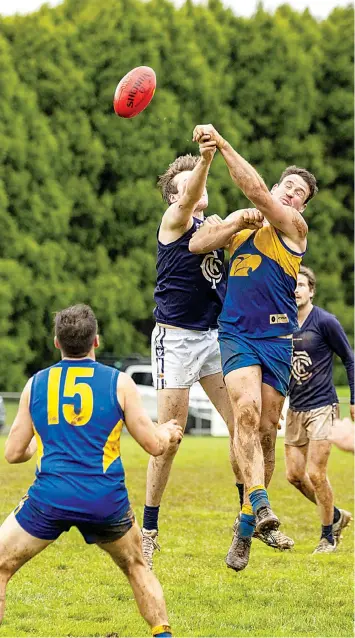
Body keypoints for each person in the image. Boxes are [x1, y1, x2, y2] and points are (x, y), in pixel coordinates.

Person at [0, 304, 183, 637]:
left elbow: (13, 453)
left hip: (49, 499)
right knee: (136, 567)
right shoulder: (120, 383)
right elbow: (154, 445)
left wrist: (35, 446)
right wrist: (169, 432)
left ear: (57, 342)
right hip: (105, 500)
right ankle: (163, 634)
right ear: (96, 341)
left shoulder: (36, 383)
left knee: (1, 566)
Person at [191, 123, 318, 571]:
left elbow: (258, 192)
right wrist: (229, 223)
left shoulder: (293, 229)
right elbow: (196, 243)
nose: (290, 194)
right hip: (237, 334)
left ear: (302, 206)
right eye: (288, 185)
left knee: (265, 431)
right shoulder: (244, 227)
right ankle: (260, 501)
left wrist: (222, 144)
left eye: (299, 192)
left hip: (277, 340)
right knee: (243, 413)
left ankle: (245, 526)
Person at [142, 137, 250, 570]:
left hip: (212, 336)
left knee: (243, 422)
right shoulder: (173, 220)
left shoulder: (213, 223)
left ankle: (248, 515)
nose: (198, 188)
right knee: (171, 436)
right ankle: (149, 531)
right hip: (176, 339)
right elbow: (194, 218)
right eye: (188, 186)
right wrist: (206, 158)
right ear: (175, 195)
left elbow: (224, 237)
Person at [285, 266, 354, 553]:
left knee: (316, 473)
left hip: (322, 406)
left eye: (301, 285)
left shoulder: (325, 321)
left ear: (311, 290)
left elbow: (349, 359)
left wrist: (354, 399)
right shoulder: (281, 324)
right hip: (294, 408)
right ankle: (336, 515)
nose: (296, 290)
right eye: (293, 285)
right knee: (294, 475)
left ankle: (327, 537)